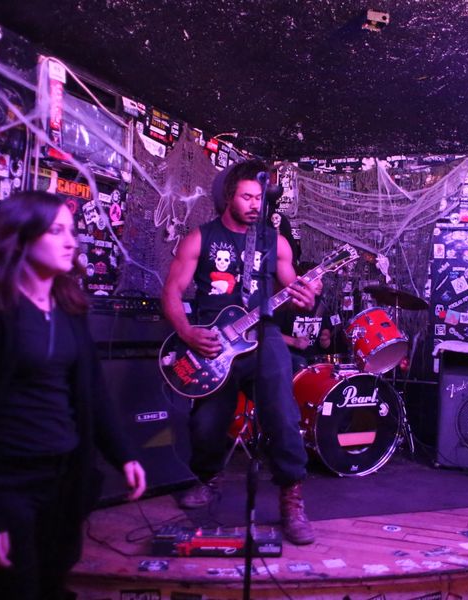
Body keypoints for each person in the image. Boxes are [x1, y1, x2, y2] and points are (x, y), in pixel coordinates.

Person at [0, 191, 147, 600]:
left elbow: (92, 390)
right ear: (20, 238)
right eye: (56, 231)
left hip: (60, 480)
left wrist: (123, 454)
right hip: (1, 482)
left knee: (50, 580)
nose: (71, 242)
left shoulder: (68, 307)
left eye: (71, 231)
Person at [161, 159, 318, 545]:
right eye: (246, 197)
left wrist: (306, 299)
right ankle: (207, 478)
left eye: (259, 198)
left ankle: (291, 496)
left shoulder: (275, 242)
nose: (254, 205)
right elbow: (172, 292)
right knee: (207, 423)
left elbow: (296, 290)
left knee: (282, 414)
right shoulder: (199, 238)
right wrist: (187, 332)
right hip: (213, 342)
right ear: (229, 196)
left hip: (262, 336)